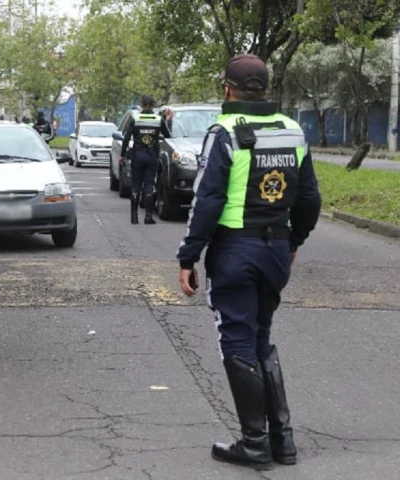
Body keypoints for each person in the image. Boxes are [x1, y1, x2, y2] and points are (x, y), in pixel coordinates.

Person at [176, 53, 322, 470]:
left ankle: (254, 444)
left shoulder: (224, 132)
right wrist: (294, 241)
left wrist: (188, 256)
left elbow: (208, 200)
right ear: (265, 88)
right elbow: (310, 198)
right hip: (276, 250)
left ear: (228, 89)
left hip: (235, 252)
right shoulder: (292, 130)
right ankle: (282, 442)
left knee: (237, 340)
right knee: (261, 338)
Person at [120, 96, 173, 224]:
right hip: (152, 156)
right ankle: (148, 217)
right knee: (149, 184)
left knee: (136, 185)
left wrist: (123, 155)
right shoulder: (158, 119)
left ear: (142, 105)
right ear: (153, 105)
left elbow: (126, 138)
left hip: (137, 155)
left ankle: (134, 217)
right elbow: (167, 136)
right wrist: (169, 121)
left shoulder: (135, 119)